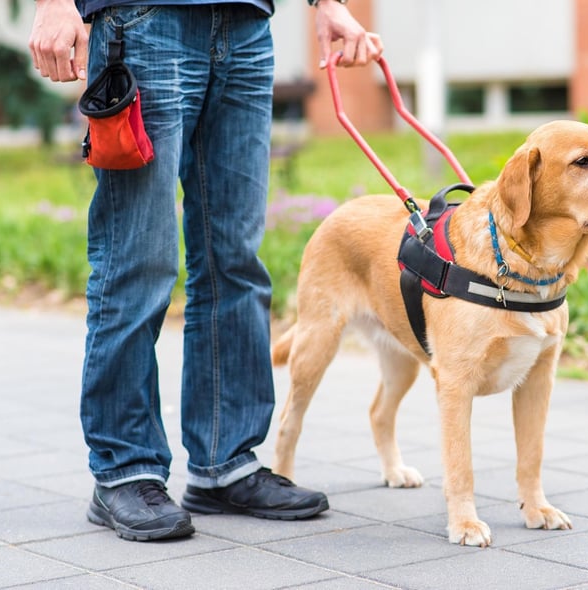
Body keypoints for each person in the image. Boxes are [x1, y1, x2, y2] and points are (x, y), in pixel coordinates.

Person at [29, 0, 383, 542]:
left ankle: (226, 462)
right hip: (143, 23)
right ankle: (125, 470)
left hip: (245, 27)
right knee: (138, 261)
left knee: (235, 262)